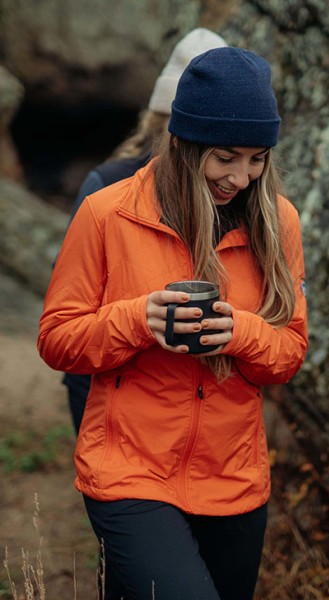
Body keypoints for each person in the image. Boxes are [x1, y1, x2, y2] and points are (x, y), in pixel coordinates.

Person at [37, 46, 308, 600]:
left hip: (233, 477)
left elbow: (289, 355)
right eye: (226, 157)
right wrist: (138, 319)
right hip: (128, 470)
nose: (241, 176)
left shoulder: (279, 221)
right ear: (184, 143)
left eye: (257, 159)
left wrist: (241, 331)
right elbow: (57, 339)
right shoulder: (107, 213)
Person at [62, 28, 228, 434]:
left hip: (200, 397)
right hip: (104, 377)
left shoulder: (233, 191)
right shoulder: (108, 184)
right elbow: (67, 295)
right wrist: (138, 317)